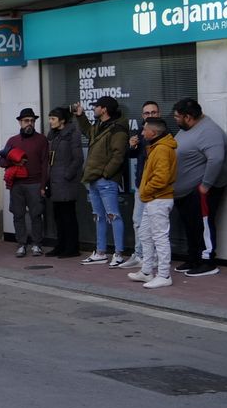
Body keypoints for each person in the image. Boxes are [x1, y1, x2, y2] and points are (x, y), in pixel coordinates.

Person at [171, 97, 227, 277]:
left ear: (188, 117)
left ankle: (207, 261)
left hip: (201, 191)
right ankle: (193, 258)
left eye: (177, 117)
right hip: (184, 192)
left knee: (203, 225)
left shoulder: (209, 131)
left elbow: (216, 159)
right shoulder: (187, 129)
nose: (175, 119)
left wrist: (206, 185)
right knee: (191, 226)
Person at [76, 96, 129, 267]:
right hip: (94, 179)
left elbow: (118, 155)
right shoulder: (100, 125)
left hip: (105, 180)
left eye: (96, 106)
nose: (94, 108)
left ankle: (118, 254)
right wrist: (80, 116)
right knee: (99, 217)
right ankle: (100, 253)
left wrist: (106, 174)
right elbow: (87, 131)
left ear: (104, 109)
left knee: (113, 216)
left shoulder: (118, 129)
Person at [130, 117, 178, 289]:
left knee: (160, 237)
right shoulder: (157, 147)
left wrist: (145, 190)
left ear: (154, 132)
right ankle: (146, 271)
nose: (142, 133)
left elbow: (161, 178)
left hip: (159, 199)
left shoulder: (162, 149)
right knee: (145, 234)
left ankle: (164, 275)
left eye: (145, 130)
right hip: (153, 198)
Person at [0, 108, 50, 257]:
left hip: (35, 184)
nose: (30, 123)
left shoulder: (41, 140)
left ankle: (37, 244)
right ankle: (21, 244)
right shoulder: (12, 141)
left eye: (32, 121)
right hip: (17, 184)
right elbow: (1, 161)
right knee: (18, 215)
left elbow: (45, 164)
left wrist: (43, 185)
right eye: (26, 121)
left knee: (36, 215)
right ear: (20, 122)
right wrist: (14, 161)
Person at [123, 100, 162, 271]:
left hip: (156, 187)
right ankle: (139, 254)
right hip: (141, 184)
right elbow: (132, 155)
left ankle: (154, 257)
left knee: (156, 224)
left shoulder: (164, 134)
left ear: (159, 114)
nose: (150, 115)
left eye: (153, 112)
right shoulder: (141, 132)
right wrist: (132, 146)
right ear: (142, 116)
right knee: (138, 221)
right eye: (147, 113)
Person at [45, 107, 84, 259]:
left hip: (66, 182)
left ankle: (72, 247)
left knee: (68, 216)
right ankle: (60, 245)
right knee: (58, 216)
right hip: (55, 181)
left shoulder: (72, 134)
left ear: (62, 120)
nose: (50, 122)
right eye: (50, 118)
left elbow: (78, 158)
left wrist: (67, 175)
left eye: (53, 119)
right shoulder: (52, 135)